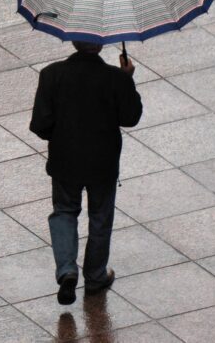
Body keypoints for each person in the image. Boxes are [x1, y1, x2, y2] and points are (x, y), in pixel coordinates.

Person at [29, 41, 142, 305]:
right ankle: (95, 276)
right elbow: (131, 117)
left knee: (64, 212)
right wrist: (127, 80)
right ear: (101, 44)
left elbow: (40, 124)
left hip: (65, 161)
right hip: (102, 163)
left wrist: (58, 136)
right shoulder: (114, 78)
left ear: (73, 41)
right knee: (100, 217)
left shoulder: (51, 74)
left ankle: (67, 270)